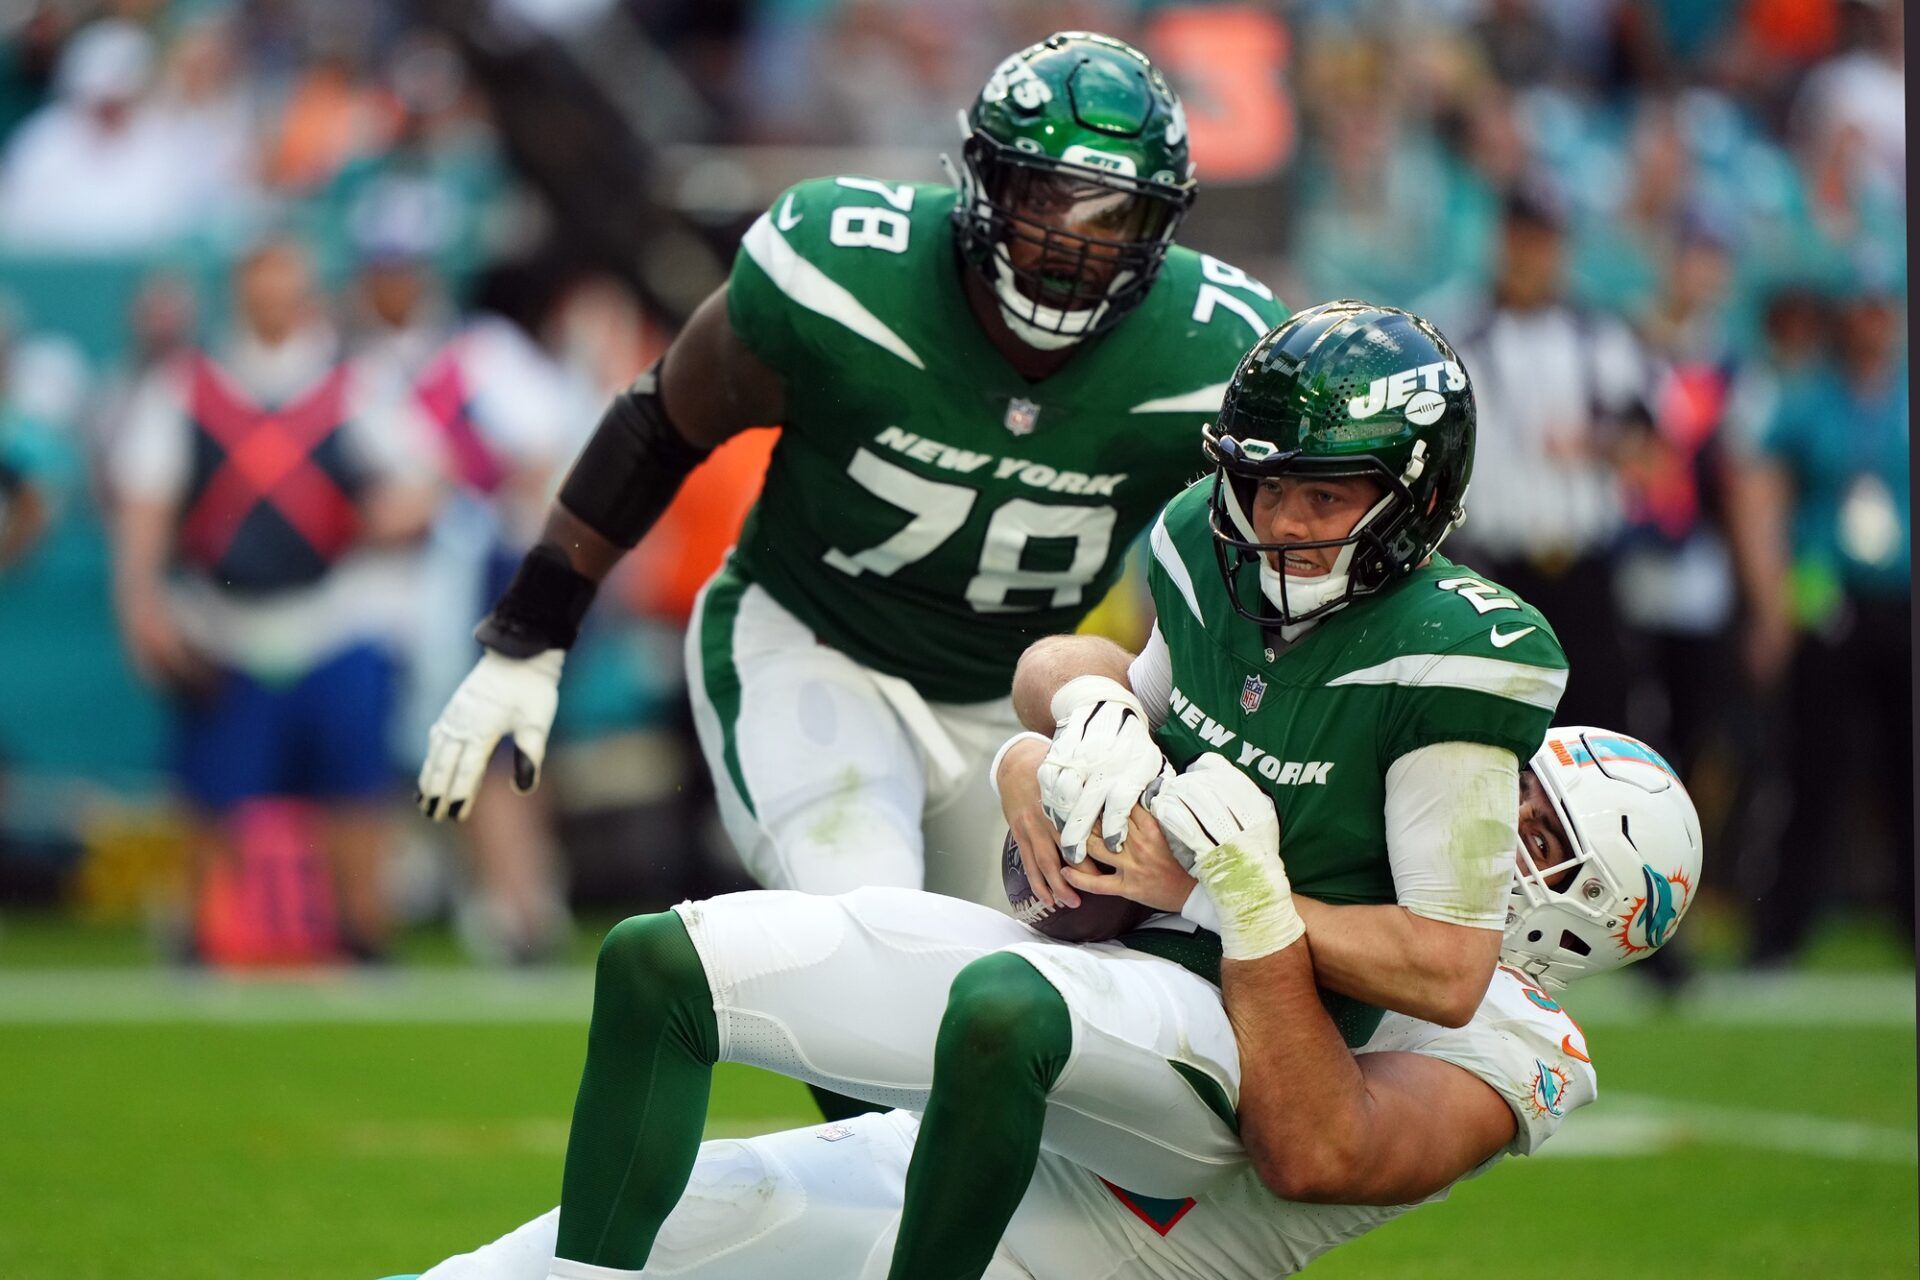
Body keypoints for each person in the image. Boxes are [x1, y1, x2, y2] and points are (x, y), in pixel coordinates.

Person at [479, 302, 1579, 1280]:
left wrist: (1222, 892)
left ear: (1418, 498)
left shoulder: (1457, 652)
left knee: (1005, 1007)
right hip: (1090, 950)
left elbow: (1445, 965)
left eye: (1324, 495)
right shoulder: (1204, 535)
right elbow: (1100, 682)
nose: (1279, 521)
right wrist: (1076, 736)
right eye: (1263, 482)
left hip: (1241, 1036)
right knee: (657, 961)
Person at [415, 31, 1287, 915]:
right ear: (980, 181)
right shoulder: (843, 272)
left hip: (1016, 697)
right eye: (1045, 199)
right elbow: (662, 420)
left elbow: (1281, 542)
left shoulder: (1216, 349)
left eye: (1114, 217)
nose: (1072, 246)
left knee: (1022, 1004)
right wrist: (530, 631)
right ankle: (664, 1006)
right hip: (815, 646)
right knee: (872, 920)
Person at [395, 724, 1703, 1280]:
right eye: (1504, 785)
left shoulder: (1525, 1041)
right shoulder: (1368, 844)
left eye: (1536, 826)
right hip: (957, 1147)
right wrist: (1052, 757)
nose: (1484, 819)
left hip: (1090, 1256)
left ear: (1595, 910)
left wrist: (1248, 902)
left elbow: (1318, 1146)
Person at [109, 235, 439, 960]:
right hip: (222, 623)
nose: (274, 306)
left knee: (355, 798)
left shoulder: (355, 382)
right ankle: (197, 941)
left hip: (336, 617)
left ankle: (363, 936)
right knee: (211, 801)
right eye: (261, 290)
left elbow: (422, 479)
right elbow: (144, 501)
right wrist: (140, 605)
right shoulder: (188, 385)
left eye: (286, 291)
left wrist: (396, 510)